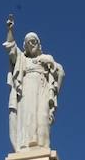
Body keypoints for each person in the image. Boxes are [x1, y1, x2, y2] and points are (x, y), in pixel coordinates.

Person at [4, 15, 65, 151]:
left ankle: (42, 147)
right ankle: (25, 147)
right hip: (26, 90)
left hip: (42, 89)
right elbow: (11, 49)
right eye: (28, 42)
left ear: (38, 44)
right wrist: (10, 30)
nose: (31, 44)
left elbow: (60, 73)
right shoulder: (23, 59)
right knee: (27, 117)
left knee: (42, 118)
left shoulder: (46, 58)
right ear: (25, 45)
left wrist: (51, 65)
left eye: (34, 41)